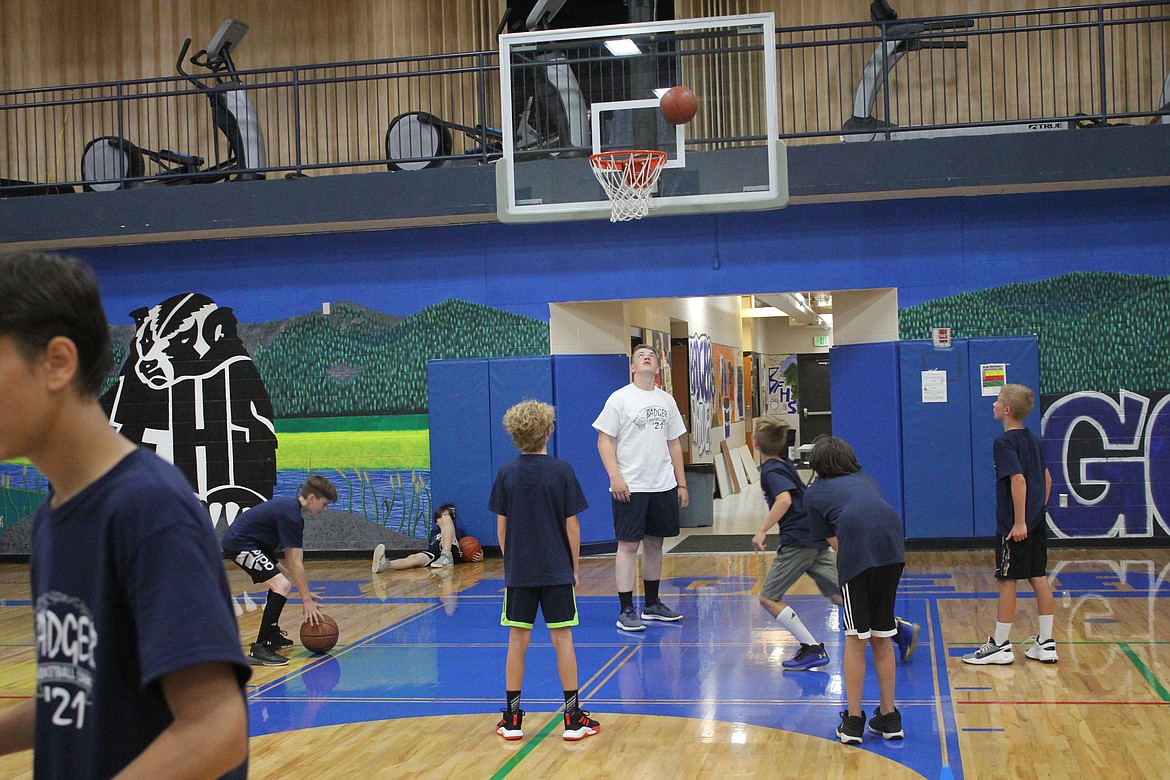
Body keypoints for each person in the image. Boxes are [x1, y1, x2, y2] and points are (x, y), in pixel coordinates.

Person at [0, 251, 249, 778]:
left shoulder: (148, 508)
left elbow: (217, 727)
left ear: (57, 363)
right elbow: (75, 695)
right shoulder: (53, 517)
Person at [490, 400, 600, 742]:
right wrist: (574, 568)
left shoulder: (506, 472)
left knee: (517, 639)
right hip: (556, 571)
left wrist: (512, 565)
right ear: (549, 430)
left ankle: (511, 719)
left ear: (514, 435)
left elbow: (502, 529)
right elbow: (573, 527)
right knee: (562, 638)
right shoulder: (562, 470)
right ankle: (572, 717)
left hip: (519, 572)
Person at [804, 436, 907, 745]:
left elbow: (838, 545)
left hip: (857, 554)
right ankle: (889, 717)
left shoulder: (814, 494)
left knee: (855, 638)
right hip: (893, 550)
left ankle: (852, 722)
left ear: (818, 465)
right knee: (882, 634)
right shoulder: (867, 480)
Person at [593, 344, 688, 632]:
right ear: (633, 367)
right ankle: (625, 609)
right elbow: (604, 440)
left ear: (657, 368)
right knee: (628, 545)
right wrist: (615, 477)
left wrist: (680, 483)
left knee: (656, 543)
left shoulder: (667, 401)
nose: (646, 359)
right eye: (640, 357)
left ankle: (652, 604)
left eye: (651, 357)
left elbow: (674, 443)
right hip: (630, 485)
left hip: (662, 485)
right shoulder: (619, 399)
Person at [962, 383, 1056, 666]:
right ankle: (1047, 642)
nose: (993, 404)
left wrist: (1019, 521)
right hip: (1037, 521)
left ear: (1006, 410)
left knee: (1007, 580)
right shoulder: (1034, 440)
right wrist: (1035, 513)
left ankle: (1000, 645)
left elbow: (1018, 479)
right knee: (1038, 576)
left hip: (1015, 525)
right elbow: (1047, 480)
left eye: (997, 401)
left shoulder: (1004, 443)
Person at [751, 417, 843, 670]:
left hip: (798, 541)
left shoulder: (770, 470)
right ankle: (896, 628)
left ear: (755, 443)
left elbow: (784, 501)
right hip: (814, 536)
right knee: (841, 595)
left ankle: (811, 648)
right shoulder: (785, 464)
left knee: (769, 597)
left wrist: (762, 530)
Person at [221, 474, 337, 666]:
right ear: (311, 498)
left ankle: (272, 633)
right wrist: (306, 599)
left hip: (255, 544)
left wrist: (304, 591)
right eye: (324, 504)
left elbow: (291, 564)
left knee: (282, 579)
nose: (324, 510)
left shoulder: (290, 508)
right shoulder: (292, 516)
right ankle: (261, 647)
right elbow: (295, 562)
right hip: (240, 543)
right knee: (282, 585)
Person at [372, 503, 484, 573]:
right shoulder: (434, 533)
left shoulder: (456, 531)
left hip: (451, 549)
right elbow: (432, 547)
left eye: (447, 515)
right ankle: (386, 564)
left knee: (449, 610)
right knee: (413, 558)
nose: (444, 518)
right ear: (436, 522)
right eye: (441, 516)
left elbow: (466, 549)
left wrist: (479, 557)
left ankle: (446, 555)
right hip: (435, 554)